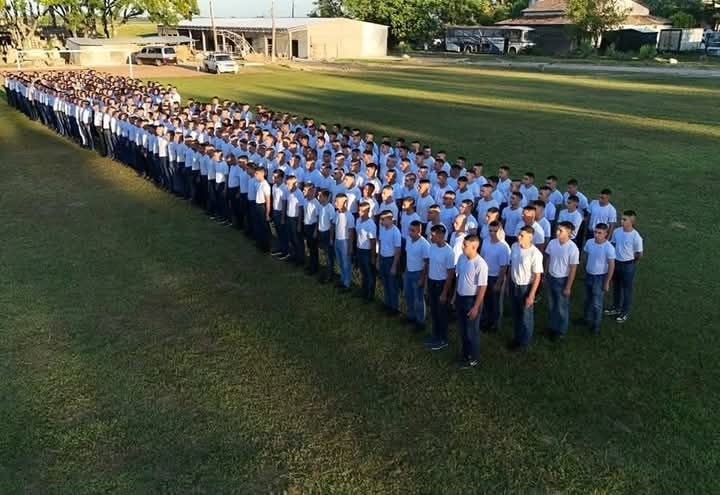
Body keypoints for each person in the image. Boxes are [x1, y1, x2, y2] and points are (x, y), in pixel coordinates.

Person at [454, 234, 488, 369]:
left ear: (474, 247)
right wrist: (454, 295)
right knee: (463, 329)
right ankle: (465, 353)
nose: (462, 247)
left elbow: (482, 287)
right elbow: (459, 277)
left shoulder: (481, 264)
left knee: (471, 331)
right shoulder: (462, 258)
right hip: (460, 297)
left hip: (471, 300)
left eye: (465, 245)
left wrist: (475, 307)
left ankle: (473, 358)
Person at [508, 226, 544, 351]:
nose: (519, 237)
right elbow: (511, 266)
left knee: (526, 316)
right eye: (519, 234)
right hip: (514, 284)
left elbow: (537, 276)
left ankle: (525, 342)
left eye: (522, 235)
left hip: (525, 287)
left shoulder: (535, 254)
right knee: (516, 313)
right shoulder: (514, 247)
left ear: (530, 237)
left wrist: (531, 295)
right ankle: (517, 337)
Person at [544, 221, 580, 341]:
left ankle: (561, 330)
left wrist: (568, 286)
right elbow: (548, 258)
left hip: (562, 280)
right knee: (551, 305)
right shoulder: (553, 243)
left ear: (569, 232)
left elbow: (573, 268)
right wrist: (545, 274)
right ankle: (552, 327)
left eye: (561, 230)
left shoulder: (572, 248)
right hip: (551, 277)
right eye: (557, 229)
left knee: (561, 307)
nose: (557, 232)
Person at [607, 210, 643, 323]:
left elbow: (639, 253)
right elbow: (613, 244)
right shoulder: (617, 231)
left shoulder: (636, 236)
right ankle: (616, 307)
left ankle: (624, 312)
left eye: (624, 219)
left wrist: (631, 262)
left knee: (627, 290)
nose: (621, 221)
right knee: (616, 287)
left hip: (628, 265)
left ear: (631, 221)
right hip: (616, 263)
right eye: (621, 219)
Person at [582, 223, 616, 334]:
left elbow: (611, 265)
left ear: (606, 234)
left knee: (597, 303)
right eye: (595, 232)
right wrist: (585, 269)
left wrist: (606, 282)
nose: (596, 235)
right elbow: (586, 256)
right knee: (587, 299)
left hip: (600, 277)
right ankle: (586, 319)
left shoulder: (609, 248)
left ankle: (596, 325)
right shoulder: (589, 242)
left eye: (600, 233)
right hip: (589, 274)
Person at [426, 224, 455, 350]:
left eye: (432, 235)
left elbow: (450, 275)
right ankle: (435, 335)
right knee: (434, 311)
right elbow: (429, 265)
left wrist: (444, 293)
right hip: (432, 282)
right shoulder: (431, 247)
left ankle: (443, 339)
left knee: (441, 313)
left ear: (440, 235)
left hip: (441, 284)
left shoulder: (449, 252)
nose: (430, 237)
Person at [480, 220, 510, 333]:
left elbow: (504, 267)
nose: (492, 233)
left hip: (495, 277)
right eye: (490, 231)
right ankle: (486, 320)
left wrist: (498, 282)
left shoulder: (503, 247)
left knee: (496, 302)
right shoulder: (486, 241)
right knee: (486, 300)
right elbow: (482, 258)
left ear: (501, 231)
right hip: (485, 276)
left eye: (495, 231)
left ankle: (495, 324)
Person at [403, 220, 430, 332]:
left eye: (413, 230)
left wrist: (422, 278)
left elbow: (427, 263)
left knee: (419, 299)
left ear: (420, 231)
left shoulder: (424, 245)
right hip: (408, 271)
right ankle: (411, 316)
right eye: (409, 230)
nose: (410, 232)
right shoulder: (409, 239)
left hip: (418, 273)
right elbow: (408, 255)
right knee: (408, 295)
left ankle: (420, 322)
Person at [377, 210, 402, 314]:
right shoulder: (382, 229)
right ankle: (387, 304)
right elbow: (381, 243)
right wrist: (378, 259)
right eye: (381, 219)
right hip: (383, 258)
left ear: (390, 219)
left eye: (383, 219)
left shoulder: (395, 232)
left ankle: (394, 308)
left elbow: (398, 250)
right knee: (385, 283)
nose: (381, 221)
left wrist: (394, 266)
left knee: (392, 285)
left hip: (391, 260)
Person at [355, 202, 377, 301]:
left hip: (367, 251)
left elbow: (373, 242)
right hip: (359, 248)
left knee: (369, 273)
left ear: (368, 211)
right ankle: (364, 291)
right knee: (363, 272)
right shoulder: (358, 220)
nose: (360, 212)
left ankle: (370, 294)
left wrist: (373, 256)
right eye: (359, 210)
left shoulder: (371, 224)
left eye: (362, 211)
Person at [333, 193, 355, 290]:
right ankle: (342, 279)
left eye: (337, 202)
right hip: (337, 240)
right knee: (340, 261)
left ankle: (347, 283)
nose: (335, 203)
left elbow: (351, 232)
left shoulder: (349, 216)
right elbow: (334, 225)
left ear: (344, 203)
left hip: (345, 242)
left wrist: (350, 246)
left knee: (346, 263)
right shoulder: (337, 213)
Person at [317, 189, 336, 283]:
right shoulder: (320, 206)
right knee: (325, 253)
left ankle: (330, 274)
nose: (318, 198)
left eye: (320, 196)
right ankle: (327, 271)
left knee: (329, 255)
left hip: (327, 233)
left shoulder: (330, 208)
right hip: (321, 232)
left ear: (325, 197)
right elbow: (318, 219)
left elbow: (332, 224)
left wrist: (331, 238)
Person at [302, 182, 320, 275]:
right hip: (306, 225)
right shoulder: (305, 201)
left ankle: (314, 267)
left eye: (305, 190)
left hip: (312, 227)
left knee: (313, 248)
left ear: (311, 191)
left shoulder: (315, 203)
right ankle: (311, 264)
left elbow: (318, 219)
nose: (303, 192)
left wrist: (315, 231)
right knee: (309, 247)